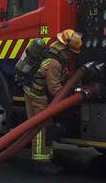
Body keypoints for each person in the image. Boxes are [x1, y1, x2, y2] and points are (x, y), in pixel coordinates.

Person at [22, 29, 82, 173]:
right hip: (38, 96)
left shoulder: (51, 54)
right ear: (66, 49)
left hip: (32, 91)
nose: (71, 56)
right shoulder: (54, 63)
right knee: (40, 127)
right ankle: (41, 162)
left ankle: (46, 156)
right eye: (71, 53)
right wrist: (72, 96)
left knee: (42, 126)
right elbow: (55, 90)